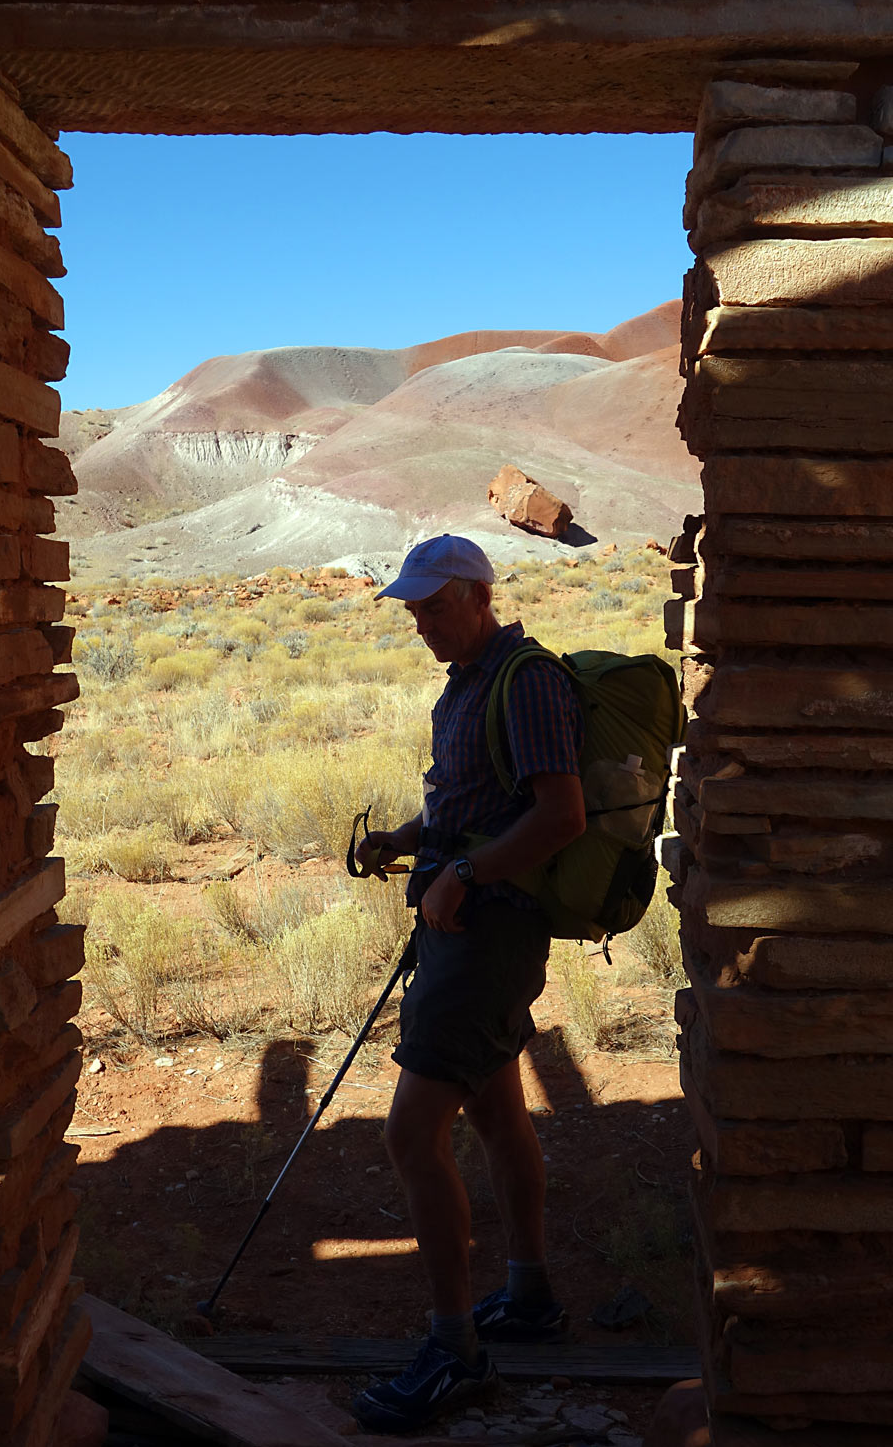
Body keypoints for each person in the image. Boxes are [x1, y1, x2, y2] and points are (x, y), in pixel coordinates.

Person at [351, 534, 586, 1434]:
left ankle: (455, 1353)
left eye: (433, 607)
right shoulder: (470, 682)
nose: (420, 622)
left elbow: (559, 815)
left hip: (488, 934)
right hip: (463, 924)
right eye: (412, 610)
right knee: (495, 1115)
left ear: (479, 595)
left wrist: (470, 875)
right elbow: (470, 801)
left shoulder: (525, 681)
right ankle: (528, 1295)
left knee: (412, 1136)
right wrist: (408, 843)